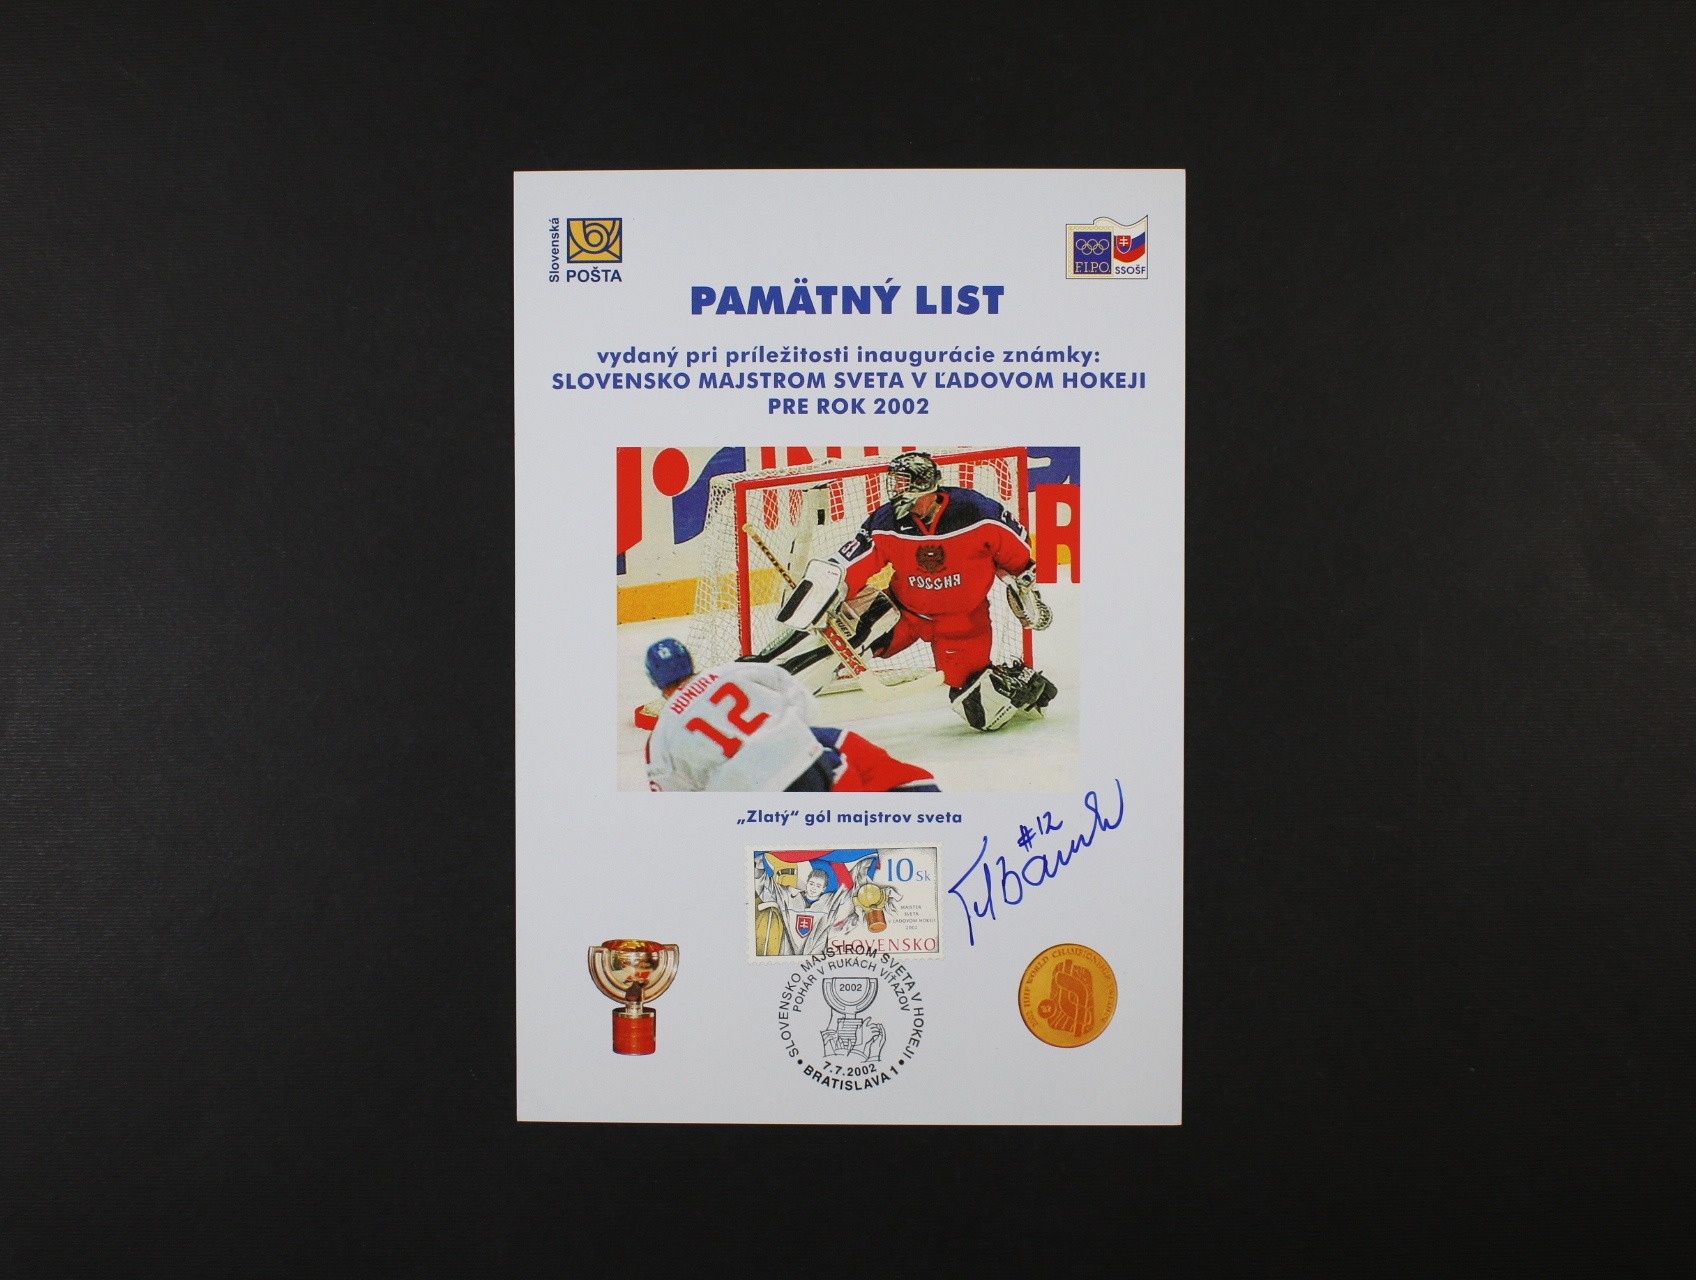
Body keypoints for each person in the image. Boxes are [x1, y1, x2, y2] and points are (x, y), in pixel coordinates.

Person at [760, 451, 1059, 731]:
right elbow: (853, 562)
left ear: (925, 486)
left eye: (903, 483)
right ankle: (761, 686)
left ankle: (1017, 683)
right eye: (895, 483)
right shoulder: (887, 521)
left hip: (963, 624)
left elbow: (1018, 556)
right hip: (903, 613)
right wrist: (826, 589)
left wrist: (1023, 585)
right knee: (833, 641)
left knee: (981, 711)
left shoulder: (977, 512)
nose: (897, 490)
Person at [642, 638, 940, 793]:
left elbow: (675, 797)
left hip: (749, 804)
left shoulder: (662, 734)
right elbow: (791, 687)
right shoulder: (730, 671)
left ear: (655, 681)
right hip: (804, 764)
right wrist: (796, 733)